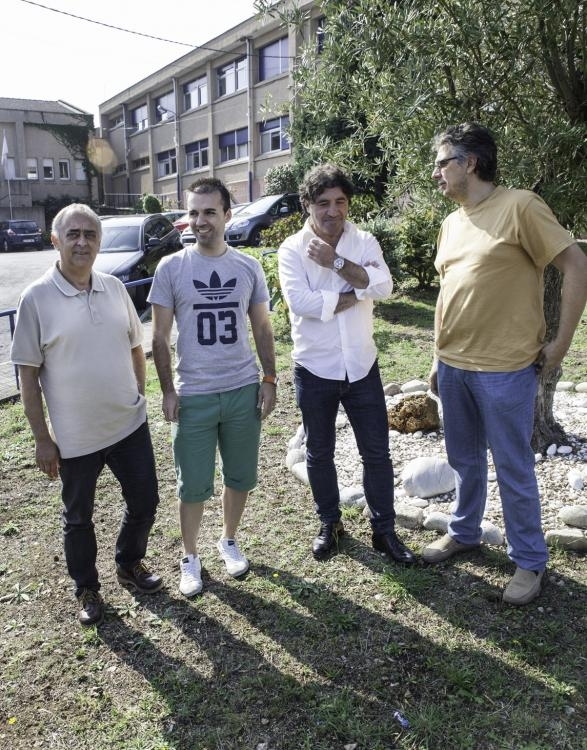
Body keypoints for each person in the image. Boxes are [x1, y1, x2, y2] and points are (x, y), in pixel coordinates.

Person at [425, 122, 587, 605]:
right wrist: (436, 356)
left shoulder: (520, 206)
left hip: (505, 369)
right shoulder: (452, 221)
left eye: (442, 162)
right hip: (454, 366)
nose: (436, 173)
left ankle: (530, 561)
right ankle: (465, 531)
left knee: (513, 467)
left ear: (470, 163)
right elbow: (450, 292)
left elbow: (576, 263)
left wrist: (559, 345)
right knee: (464, 460)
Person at [11, 204, 162, 627]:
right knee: (78, 518)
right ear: (55, 241)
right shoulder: (36, 298)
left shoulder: (114, 287)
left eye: (90, 235)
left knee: (146, 501)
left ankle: (128, 563)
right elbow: (28, 373)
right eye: (73, 234)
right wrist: (43, 438)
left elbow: (136, 344)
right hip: (75, 437)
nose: (82, 242)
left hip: (128, 424)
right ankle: (87, 587)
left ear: (99, 241)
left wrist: (136, 392)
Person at [278, 163, 415, 565]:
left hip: (361, 366)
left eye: (340, 202)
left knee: (376, 453)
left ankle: (384, 532)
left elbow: (385, 286)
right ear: (307, 204)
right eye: (323, 203)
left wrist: (337, 263)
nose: (333, 211)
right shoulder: (291, 249)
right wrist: (358, 289)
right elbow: (300, 304)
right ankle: (330, 524)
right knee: (319, 453)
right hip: (314, 369)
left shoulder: (363, 240)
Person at [149, 177, 277, 597]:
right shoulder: (172, 268)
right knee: (193, 484)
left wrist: (270, 378)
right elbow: (159, 337)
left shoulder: (248, 267)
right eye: (193, 212)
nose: (200, 220)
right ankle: (190, 556)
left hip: (242, 389)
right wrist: (168, 390)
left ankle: (228, 539)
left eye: (208, 212)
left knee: (240, 477)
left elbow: (261, 326)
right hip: (194, 395)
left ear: (226, 214)